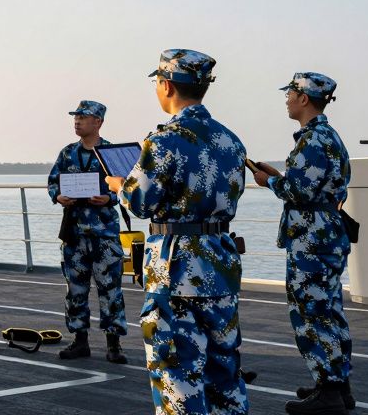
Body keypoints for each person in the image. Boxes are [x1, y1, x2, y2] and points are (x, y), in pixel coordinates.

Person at [106, 49, 248, 415]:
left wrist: (120, 186)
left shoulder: (164, 141)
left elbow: (140, 203)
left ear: (167, 85)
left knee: (176, 374)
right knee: (224, 374)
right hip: (220, 261)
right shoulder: (232, 141)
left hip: (176, 269)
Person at [250, 72, 354, 414]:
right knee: (330, 310)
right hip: (327, 235)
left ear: (304, 98)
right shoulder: (329, 137)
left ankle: (329, 392)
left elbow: (299, 192)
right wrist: (280, 177)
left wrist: (268, 182)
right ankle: (337, 385)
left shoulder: (312, 140)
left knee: (311, 313)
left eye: (290, 94)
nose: (287, 100)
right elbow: (313, 186)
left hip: (311, 239)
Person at [47, 99, 127, 363]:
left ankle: (114, 344)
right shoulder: (67, 153)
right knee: (75, 289)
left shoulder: (112, 154)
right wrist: (58, 196)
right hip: (74, 233)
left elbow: (128, 188)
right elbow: (53, 182)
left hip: (104, 233)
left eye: (83, 117)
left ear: (98, 122)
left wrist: (109, 198)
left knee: (111, 289)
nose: (77, 121)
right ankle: (79, 341)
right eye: (76, 117)